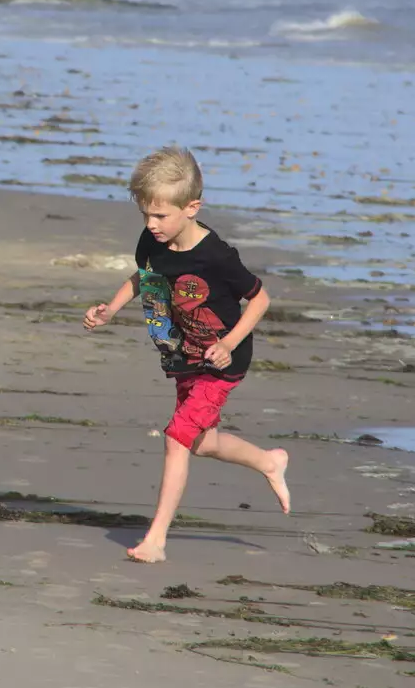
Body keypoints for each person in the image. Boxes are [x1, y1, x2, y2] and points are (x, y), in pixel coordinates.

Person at [82, 145, 290, 563]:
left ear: (192, 207)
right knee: (199, 441)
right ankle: (269, 462)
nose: (151, 224)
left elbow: (261, 299)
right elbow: (143, 277)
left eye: (160, 216)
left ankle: (155, 540)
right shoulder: (154, 242)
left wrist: (229, 344)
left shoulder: (217, 256)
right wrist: (110, 309)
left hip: (223, 362)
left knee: (177, 438)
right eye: (145, 215)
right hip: (183, 355)